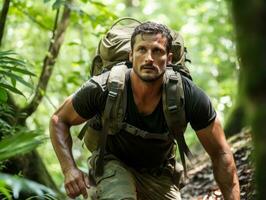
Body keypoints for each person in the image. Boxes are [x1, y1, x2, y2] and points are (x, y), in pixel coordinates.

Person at [50, 21, 240, 200]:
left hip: (159, 173)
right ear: (131, 55)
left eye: (157, 51)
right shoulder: (103, 88)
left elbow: (221, 153)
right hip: (111, 164)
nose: (149, 58)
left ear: (169, 58)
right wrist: (69, 170)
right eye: (142, 50)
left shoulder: (187, 95)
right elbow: (59, 120)